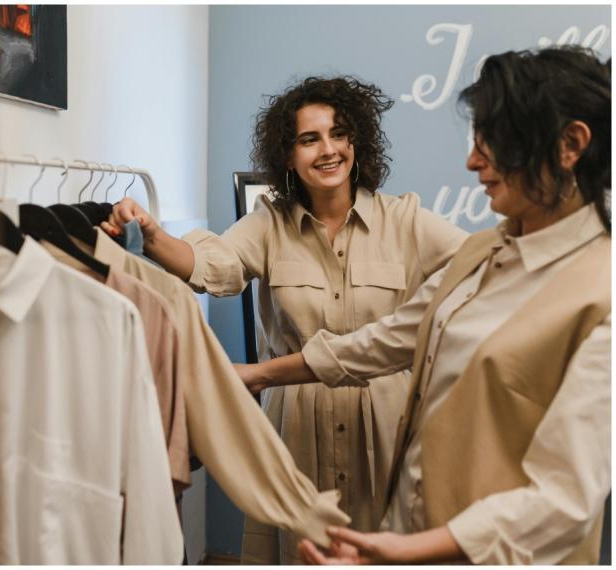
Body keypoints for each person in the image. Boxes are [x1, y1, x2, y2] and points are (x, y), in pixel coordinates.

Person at [236, 47, 611, 565]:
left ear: (571, 144)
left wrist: (407, 551)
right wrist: (260, 375)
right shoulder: (484, 254)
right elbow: (386, 340)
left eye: (493, 140)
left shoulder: (602, 293)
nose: (473, 161)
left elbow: (563, 500)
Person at [103, 76, 467, 563]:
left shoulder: (405, 221)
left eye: (338, 134)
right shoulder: (269, 225)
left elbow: (476, 267)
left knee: (382, 548)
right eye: (309, 139)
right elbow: (212, 265)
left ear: (356, 141)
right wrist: (149, 234)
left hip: (385, 428)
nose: (328, 150)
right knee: (298, 551)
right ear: (288, 154)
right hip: (295, 427)